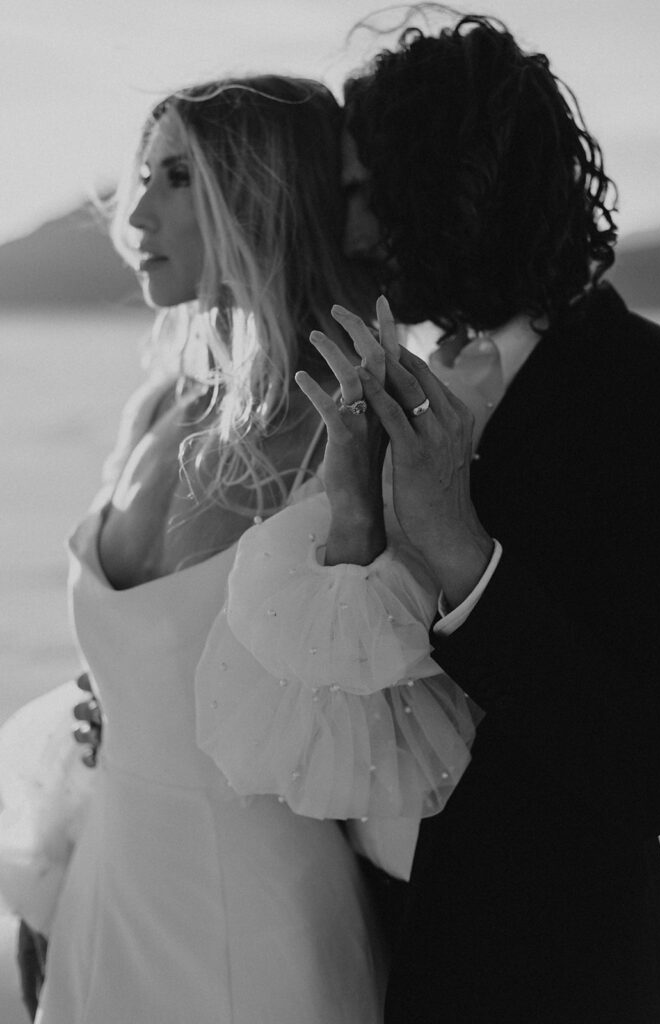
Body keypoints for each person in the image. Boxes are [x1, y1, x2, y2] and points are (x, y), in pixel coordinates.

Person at [0, 73, 477, 1022]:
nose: (133, 207)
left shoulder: (346, 432)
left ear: (260, 192)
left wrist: (351, 524)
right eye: (142, 171)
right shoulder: (157, 408)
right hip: (110, 880)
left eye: (177, 175)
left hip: (255, 918)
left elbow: (385, 716)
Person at [323, 12, 660, 1023]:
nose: (350, 233)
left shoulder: (651, 395)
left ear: (440, 186)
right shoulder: (421, 382)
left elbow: (654, 767)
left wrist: (463, 559)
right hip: (395, 949)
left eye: (364, 193)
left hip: (560, 975)